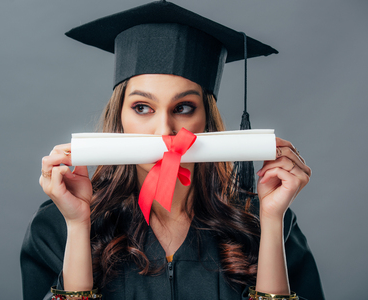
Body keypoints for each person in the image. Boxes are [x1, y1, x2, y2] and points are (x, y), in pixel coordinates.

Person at [20, 2, 325, 300]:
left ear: (206, 119)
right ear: (120, 118)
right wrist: (77, 226)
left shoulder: (260, 217)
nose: (164, 130)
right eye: (142, 107)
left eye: (183, 107)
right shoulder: (61, 218)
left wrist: (271, 223)